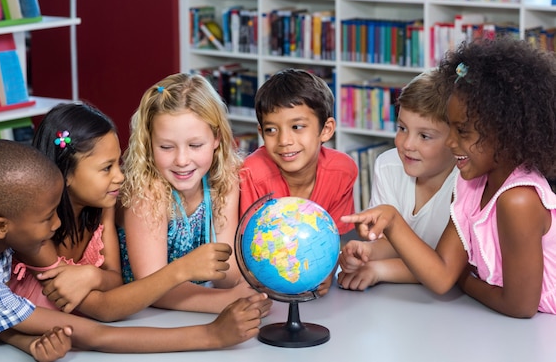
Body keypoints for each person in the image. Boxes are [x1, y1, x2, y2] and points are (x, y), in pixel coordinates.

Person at [0, 139, 268, 361]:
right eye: (48, 218)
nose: (56, 226)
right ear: (1, 227)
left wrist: (26, 342)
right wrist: (211, 336)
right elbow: (97, 335)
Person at [341, 38, 556, 318]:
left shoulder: (519, 200)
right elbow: (442, 274)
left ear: (505, 133)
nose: (451, 143)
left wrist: (463, 277)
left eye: (462, 132)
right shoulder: (471, 182)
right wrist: (392, 220)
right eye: (450, 130)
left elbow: (519, 306)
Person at [9, 102, 240, 321]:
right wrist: (182, 269)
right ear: (65, 173)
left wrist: (93, 276)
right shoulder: (37, 236)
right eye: (107, 168)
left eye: (117, 164)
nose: (120, 177)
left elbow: (114, 280)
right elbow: (104, 309)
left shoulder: (102, 209)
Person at [118, 73, 272, 314]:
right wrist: (225, 301)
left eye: (195, 145)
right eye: (166, 147)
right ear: (148, 144)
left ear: (216, 139)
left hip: (193, 306)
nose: (181, 160)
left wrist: (247, 290)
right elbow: (151, 288)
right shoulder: (147, 192)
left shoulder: (224, 180)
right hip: (146, 315)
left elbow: (227, 273)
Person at [238, 69, 358, 295]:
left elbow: (333, 239)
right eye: (271, 130)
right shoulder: (252, 173)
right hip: (262, 290)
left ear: (326, 129)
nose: (284, 141)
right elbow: (248, 249)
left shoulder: (342, 171)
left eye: (297, 127)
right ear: (261, 132)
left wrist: (328, 272)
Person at [337, 71, 458, 290]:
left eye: (424, 136)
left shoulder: (465, 183)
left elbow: (448, 269)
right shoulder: (388, 166)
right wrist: (368, 253)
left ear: (455, 139)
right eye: (402, 128)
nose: (407, 144)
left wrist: (380, 270)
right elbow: (394, 243)